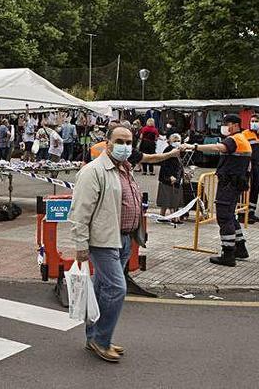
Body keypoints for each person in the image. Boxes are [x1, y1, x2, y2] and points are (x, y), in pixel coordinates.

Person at [69, 126, 148, 363]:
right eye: (120, 140)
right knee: (116, 289)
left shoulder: (124, 169)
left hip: (124, 238)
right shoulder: (93, 171)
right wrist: (81, 244)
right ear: (108, 142)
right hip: (102, 241)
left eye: (129, 141)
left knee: (103, 288)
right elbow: (80, 212)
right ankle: (101, 340)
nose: (125, 145)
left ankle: (94, 336)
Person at [183, 114, 251, 266]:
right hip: (236, 183)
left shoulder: (234, 139)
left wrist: (194, 146)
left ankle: (228, 255)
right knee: (231, 216)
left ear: (233, 125)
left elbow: (218, 147)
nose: (224, 127)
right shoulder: (243, 138)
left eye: (226, 124)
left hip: (228, 184)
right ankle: (240, 248)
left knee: (224, 217)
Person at [240, 114, 259, 223]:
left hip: (258, 164)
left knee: (256, 187)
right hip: (247, 163)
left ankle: (251, 212)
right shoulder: (244, 134)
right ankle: (242, 213)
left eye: (256, 121)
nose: (253, 123)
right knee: (244, 187)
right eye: (252, 121)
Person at [157, 134, 185, 221]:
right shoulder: (168, 150)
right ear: (170, 142)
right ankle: (172, 217)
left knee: (170, 198)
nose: (177, 143)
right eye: (175, 141)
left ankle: (163, 216)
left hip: (175, 178)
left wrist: (183, 174)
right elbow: (164, 164)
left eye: (178, 141)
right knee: (169, 198)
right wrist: (169, 176)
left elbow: (179, 164)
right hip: (168, 178)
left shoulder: (179, 150)